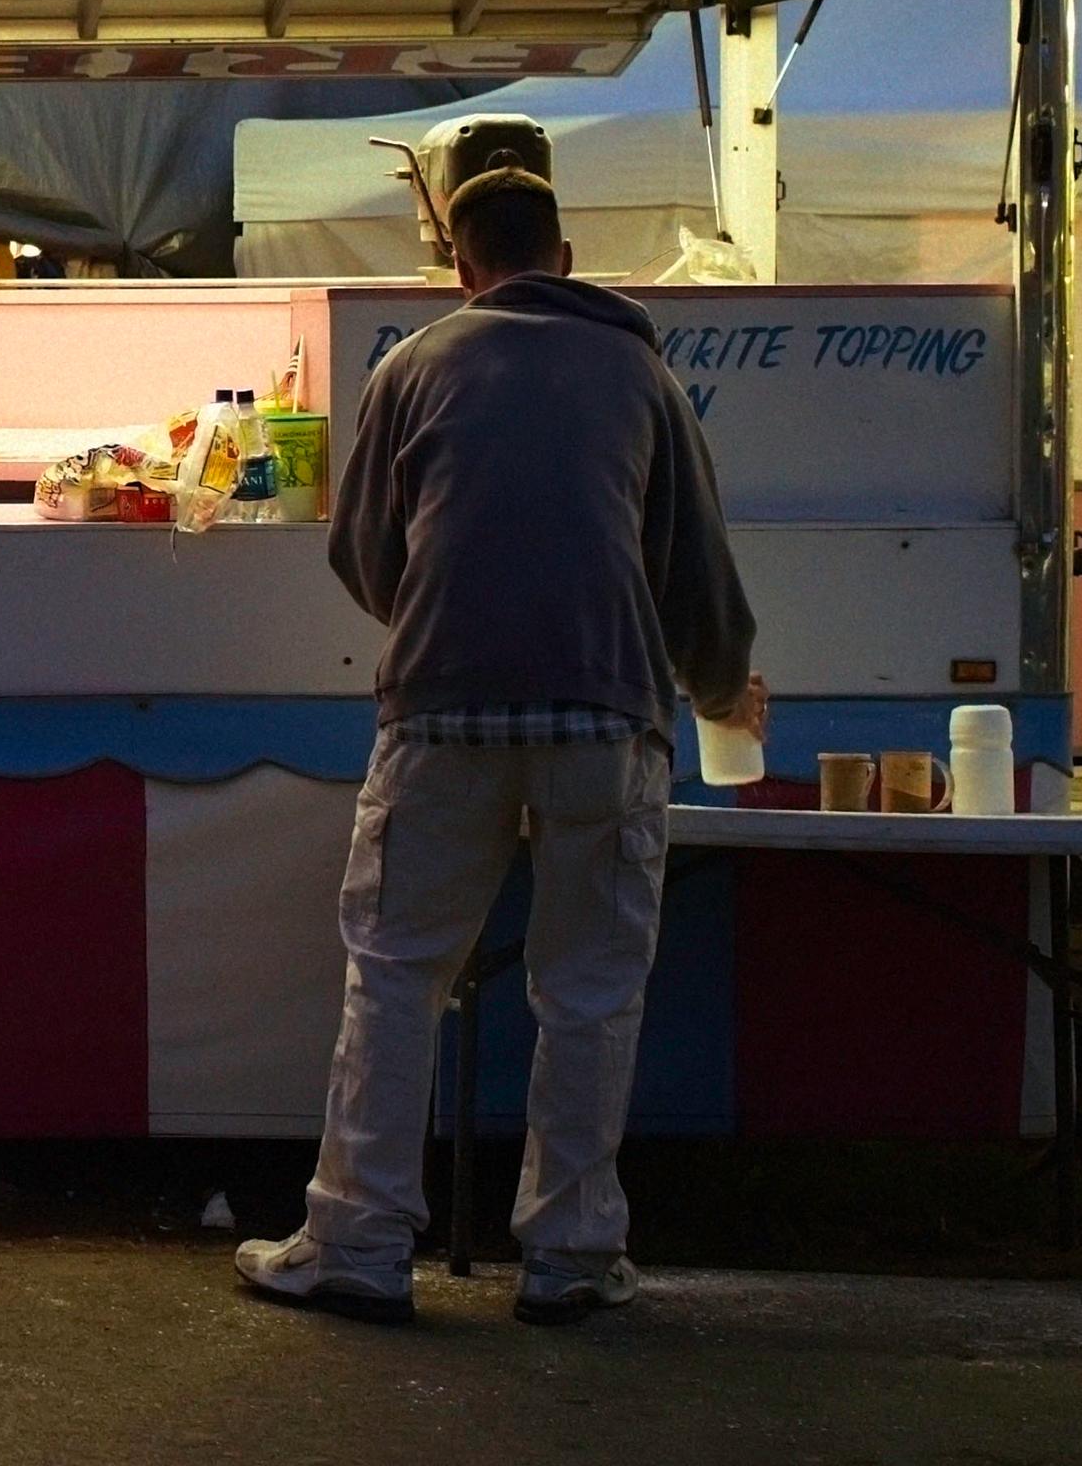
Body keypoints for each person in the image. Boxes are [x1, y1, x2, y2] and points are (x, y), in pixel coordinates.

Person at [239, 168, 762, 1330]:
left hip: (441, 717)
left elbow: (362, 552)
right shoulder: (643, 375)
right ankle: (571, 1256)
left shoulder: (412, 368)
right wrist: (724, 683)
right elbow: (695, 572)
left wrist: (445, 624)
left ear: (462, 268)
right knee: (587, 993)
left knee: (395, 978)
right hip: (605, 721)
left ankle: (358, 1244)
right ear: (565, 256)